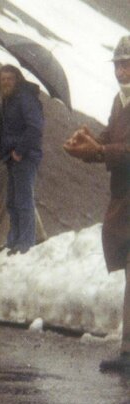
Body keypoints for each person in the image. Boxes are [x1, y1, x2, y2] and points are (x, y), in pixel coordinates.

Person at [63, 35, 130, 373]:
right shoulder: (120, 102)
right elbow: (110, 141)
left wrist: (101, 151)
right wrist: (87, 146)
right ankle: (128, 352)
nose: (121, 70)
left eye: (127, 63)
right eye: (118, 64)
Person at [0, 82, 47, 252]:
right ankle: (39, 234)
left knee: (5, 200)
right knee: (15, 197)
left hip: (2, 161)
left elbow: (0, 132)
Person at [0, 65, 44, 255]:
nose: (6, 82)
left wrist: (20, 151)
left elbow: (35, 128)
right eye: (3, 78)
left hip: (25, 157)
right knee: (13, 200)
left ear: (17, 80)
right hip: (12, 156)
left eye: (10, 78)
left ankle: (26, 243)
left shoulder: (25, 99)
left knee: (23, 199)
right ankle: (14, 240)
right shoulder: (9, 100)